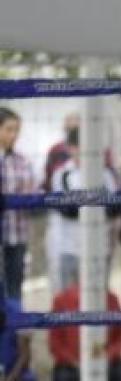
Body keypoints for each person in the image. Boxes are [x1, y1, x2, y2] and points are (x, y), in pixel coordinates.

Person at [47, 127, 120, 291]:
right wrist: (97, 202)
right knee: (69, 300)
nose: (84, 151)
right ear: (70, 148)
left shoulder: (105, 174)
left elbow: (114, 207)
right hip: (69, 247)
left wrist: (86, 202)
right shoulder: (62, 174)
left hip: (99, 247)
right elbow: (68, 210)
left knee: (99, 296)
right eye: (80, 146)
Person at [0, 108, 37, 300]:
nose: (14, 135)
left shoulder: (22, 161)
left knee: (15, 285)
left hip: (18, 234)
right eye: (9, 129)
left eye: (16, 130)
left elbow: (32, 192)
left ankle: (13, 327)